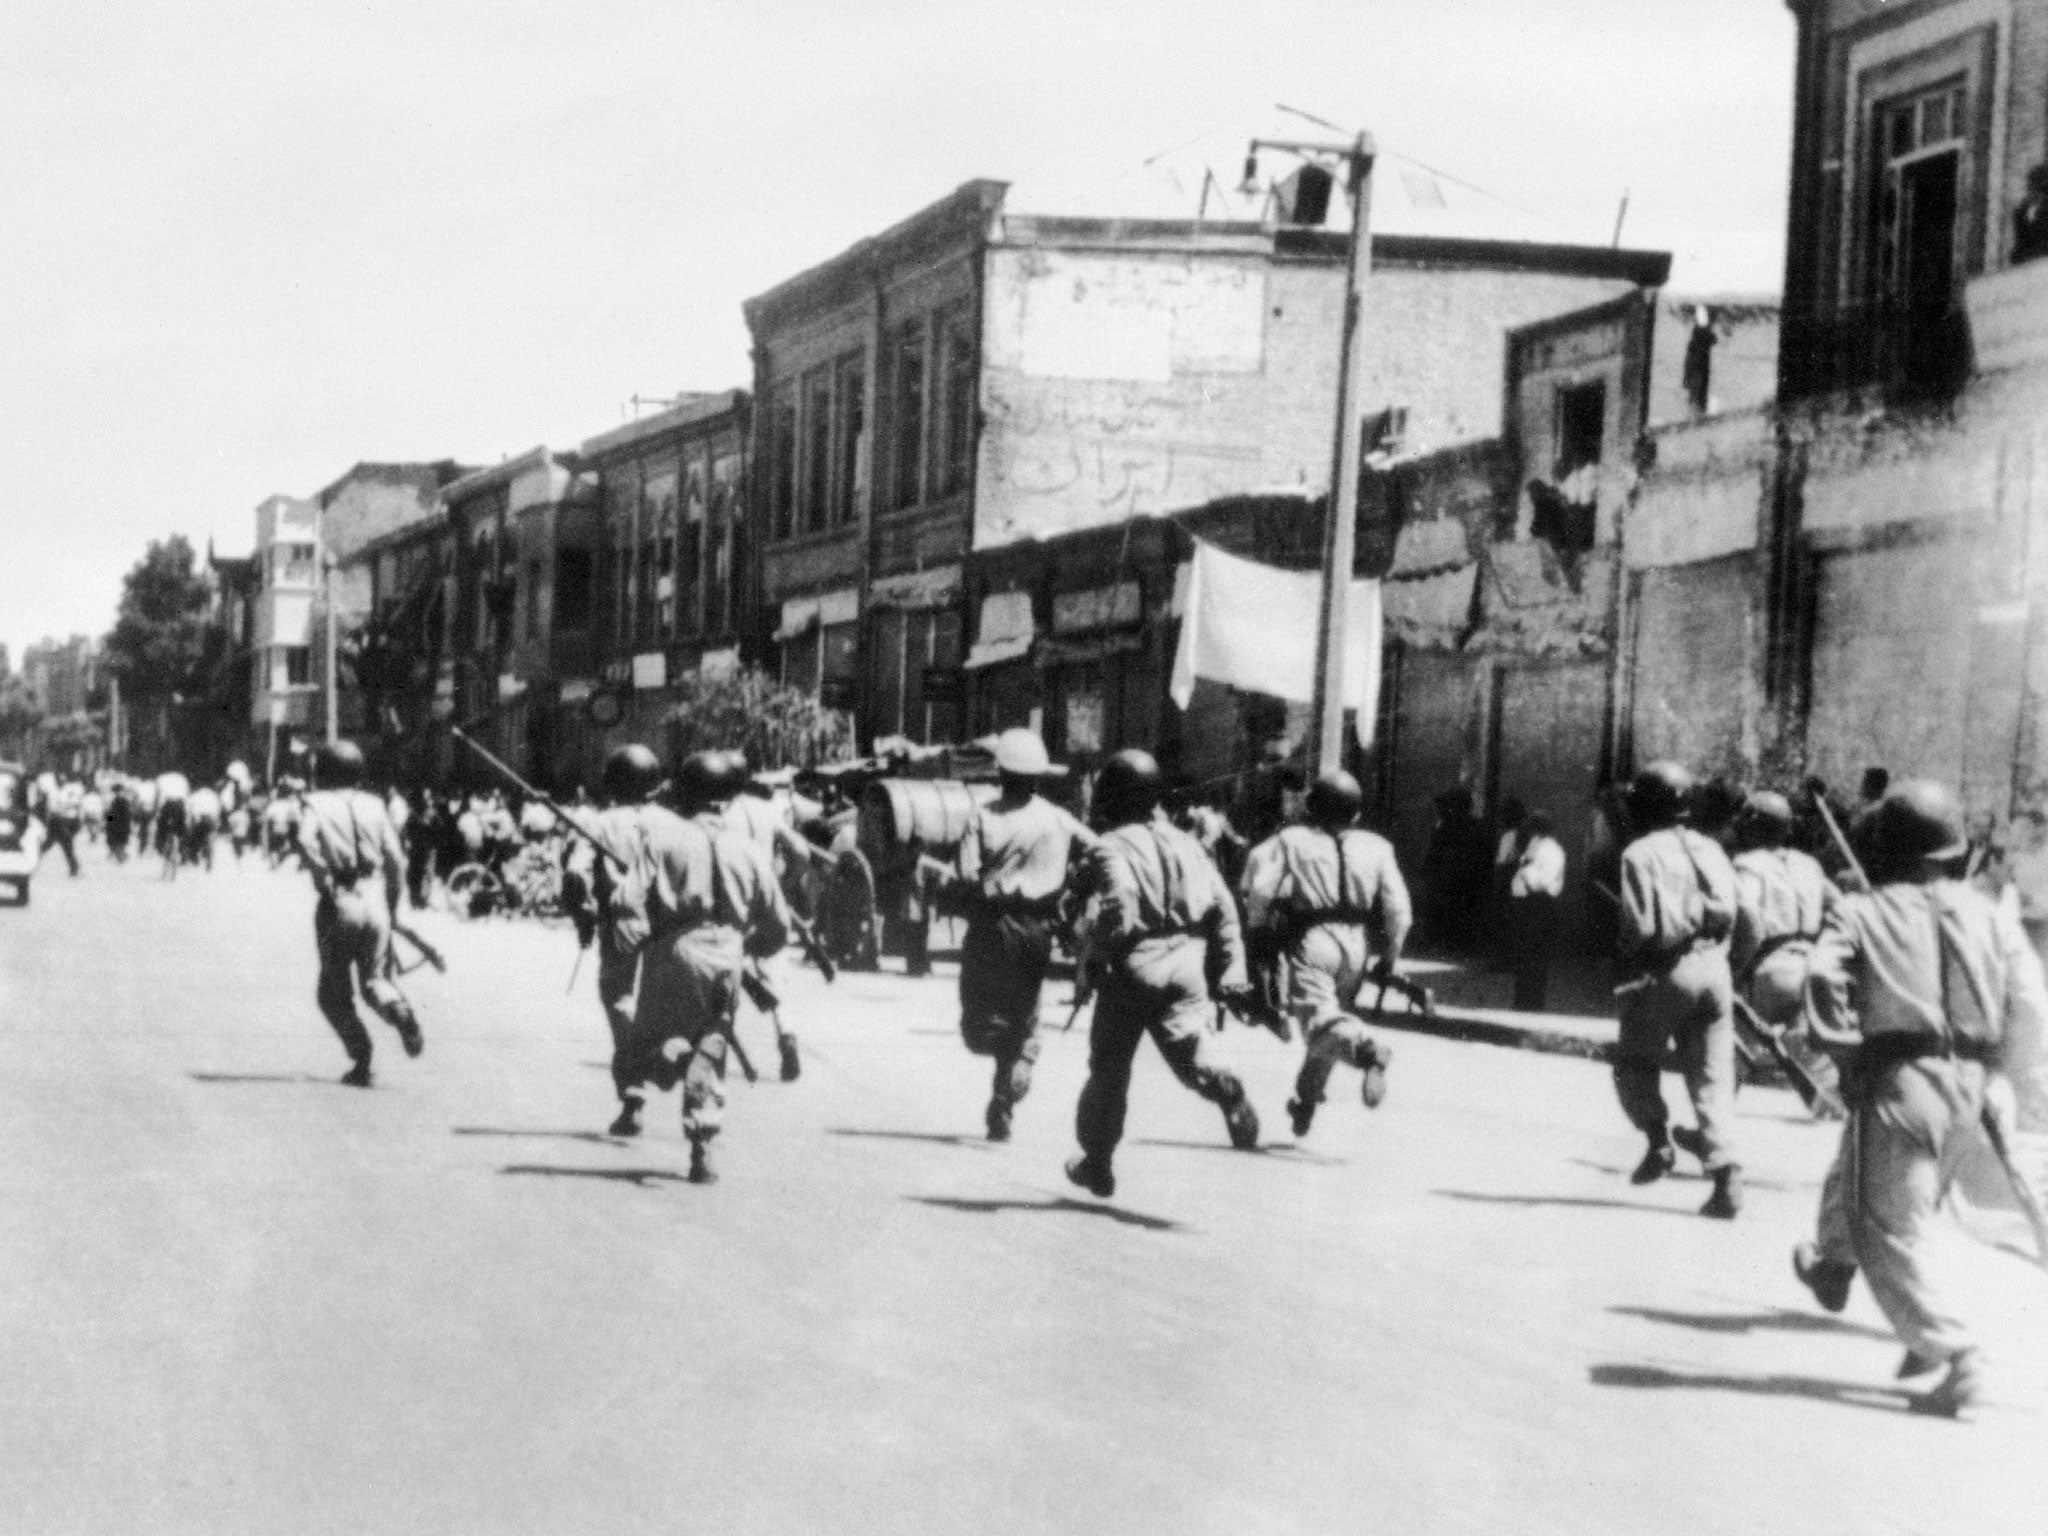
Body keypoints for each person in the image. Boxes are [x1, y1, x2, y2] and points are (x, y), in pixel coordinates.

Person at [1798, 781, 2048, 1418]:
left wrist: (1845, 1055)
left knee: (1885, 1223)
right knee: (1912, 1199)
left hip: (1901, 1078)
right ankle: (1845, 1272)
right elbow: (2030, 1005)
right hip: (1977, 1084)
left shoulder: (1861, 910)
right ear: (1955, 849)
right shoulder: (1992, 912)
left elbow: (1823, 979)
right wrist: (2017, 1080)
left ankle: (1955, 1353)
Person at [1065, 750, 1261, 1199]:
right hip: (1189, 963)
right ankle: (1223, 1084)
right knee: (1190, 1053)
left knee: (1109, 1070)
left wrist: (1096, 958)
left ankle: (1097, 1161)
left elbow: (1119, 905)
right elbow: (1225, 908)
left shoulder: (1109, 845)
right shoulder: (1190, 844)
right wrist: (1232, 971)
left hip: (1135, 965)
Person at [630, 749, 791, 1184]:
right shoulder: (750, 850)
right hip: (729, 956)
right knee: (713, 1044)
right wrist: (745, 948)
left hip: (673, 951)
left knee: (650, 1040)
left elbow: (626, 902)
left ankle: (670, 1054)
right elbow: (779, 925)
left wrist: (637, 938)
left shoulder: (662, 840)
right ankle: (703, 1145)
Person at [1241, 769, 1408, 1137]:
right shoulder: (1378, 847)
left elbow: (1262, 892)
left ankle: (1367, 1051)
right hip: (1357, 945)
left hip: (1313, 941)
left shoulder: (1293, 840)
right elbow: (1399, 911)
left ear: (1313, 807)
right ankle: (1307, 1098)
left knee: (1319, 1023)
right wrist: (1390, 957)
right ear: (1357, 812)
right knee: (1332, 1020)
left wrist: (1257, 934)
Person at [1610, 761, 1744, 1218]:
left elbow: (1638, 927)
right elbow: (1745, 918)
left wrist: (1632, 969)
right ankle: (1724, 1172)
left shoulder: (1639, 853)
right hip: (1716, 968)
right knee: (1712, 1076)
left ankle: (1657, 1139)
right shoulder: (1714, 849)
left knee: (1634, 1058)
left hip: (1667, 969)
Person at [949, 727, 1095, 1142]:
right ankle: (1015, 1069)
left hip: (991, 927)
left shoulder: (983, 815)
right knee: (1024, 1009)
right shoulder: (1057, 818)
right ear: (1037, 775)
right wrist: (1073, 890)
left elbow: (964, 873)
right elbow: (1099, 852)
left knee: (977, 1019)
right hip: (1038, 929)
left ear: (1001, 774)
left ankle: (1008, 1059)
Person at [292, 741, 424, 1086]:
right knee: (375, 981)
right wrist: (393, 908)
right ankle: (400, 1011)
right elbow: (396, 860)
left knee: (332, 993)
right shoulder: (375, 805)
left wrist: (323, 873)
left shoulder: (314, 803)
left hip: (339, 903)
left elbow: (305, 842)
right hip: (375, 900)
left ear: (321, 772)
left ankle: (362, 1059)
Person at [677, 751, 809, 1084]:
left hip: (726, 908)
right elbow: (801, 852)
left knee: (721, 985)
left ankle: (711, 1045)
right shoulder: (767, 810)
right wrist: (780, 885)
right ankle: (787, 1033)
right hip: (762, 901)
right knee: (774, 975)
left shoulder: (718, 814)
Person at [563, 746, 668, 1137]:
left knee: (619, 999)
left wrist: (583, 915)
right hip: (667, 923)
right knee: (662, 1001)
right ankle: (656, 1056)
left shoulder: (602, 822)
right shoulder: (673, 821)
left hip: (621, 921)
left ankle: (633, 1091)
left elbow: (575, 876)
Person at [1730, 789, 1842, 1112]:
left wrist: (1738, 967)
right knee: (1809, 1049)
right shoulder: (1809, 865)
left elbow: (1750, 917)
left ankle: (1712, 1128)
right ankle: (1834, 1108)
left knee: (1735, 1045)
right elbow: (1841, 908)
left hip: (1772, 969)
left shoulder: (1748, 864)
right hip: (1812, 966)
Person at [1507, 809, 1566, 1011]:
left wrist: (1527, 869)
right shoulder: (1535, 849)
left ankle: (1531, 1003)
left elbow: (1541, 882)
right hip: (1528, 905)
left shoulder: (1551, 851)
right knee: (1526, 956)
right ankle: (1523, 1001)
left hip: (1541, 904)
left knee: (1535, 957)